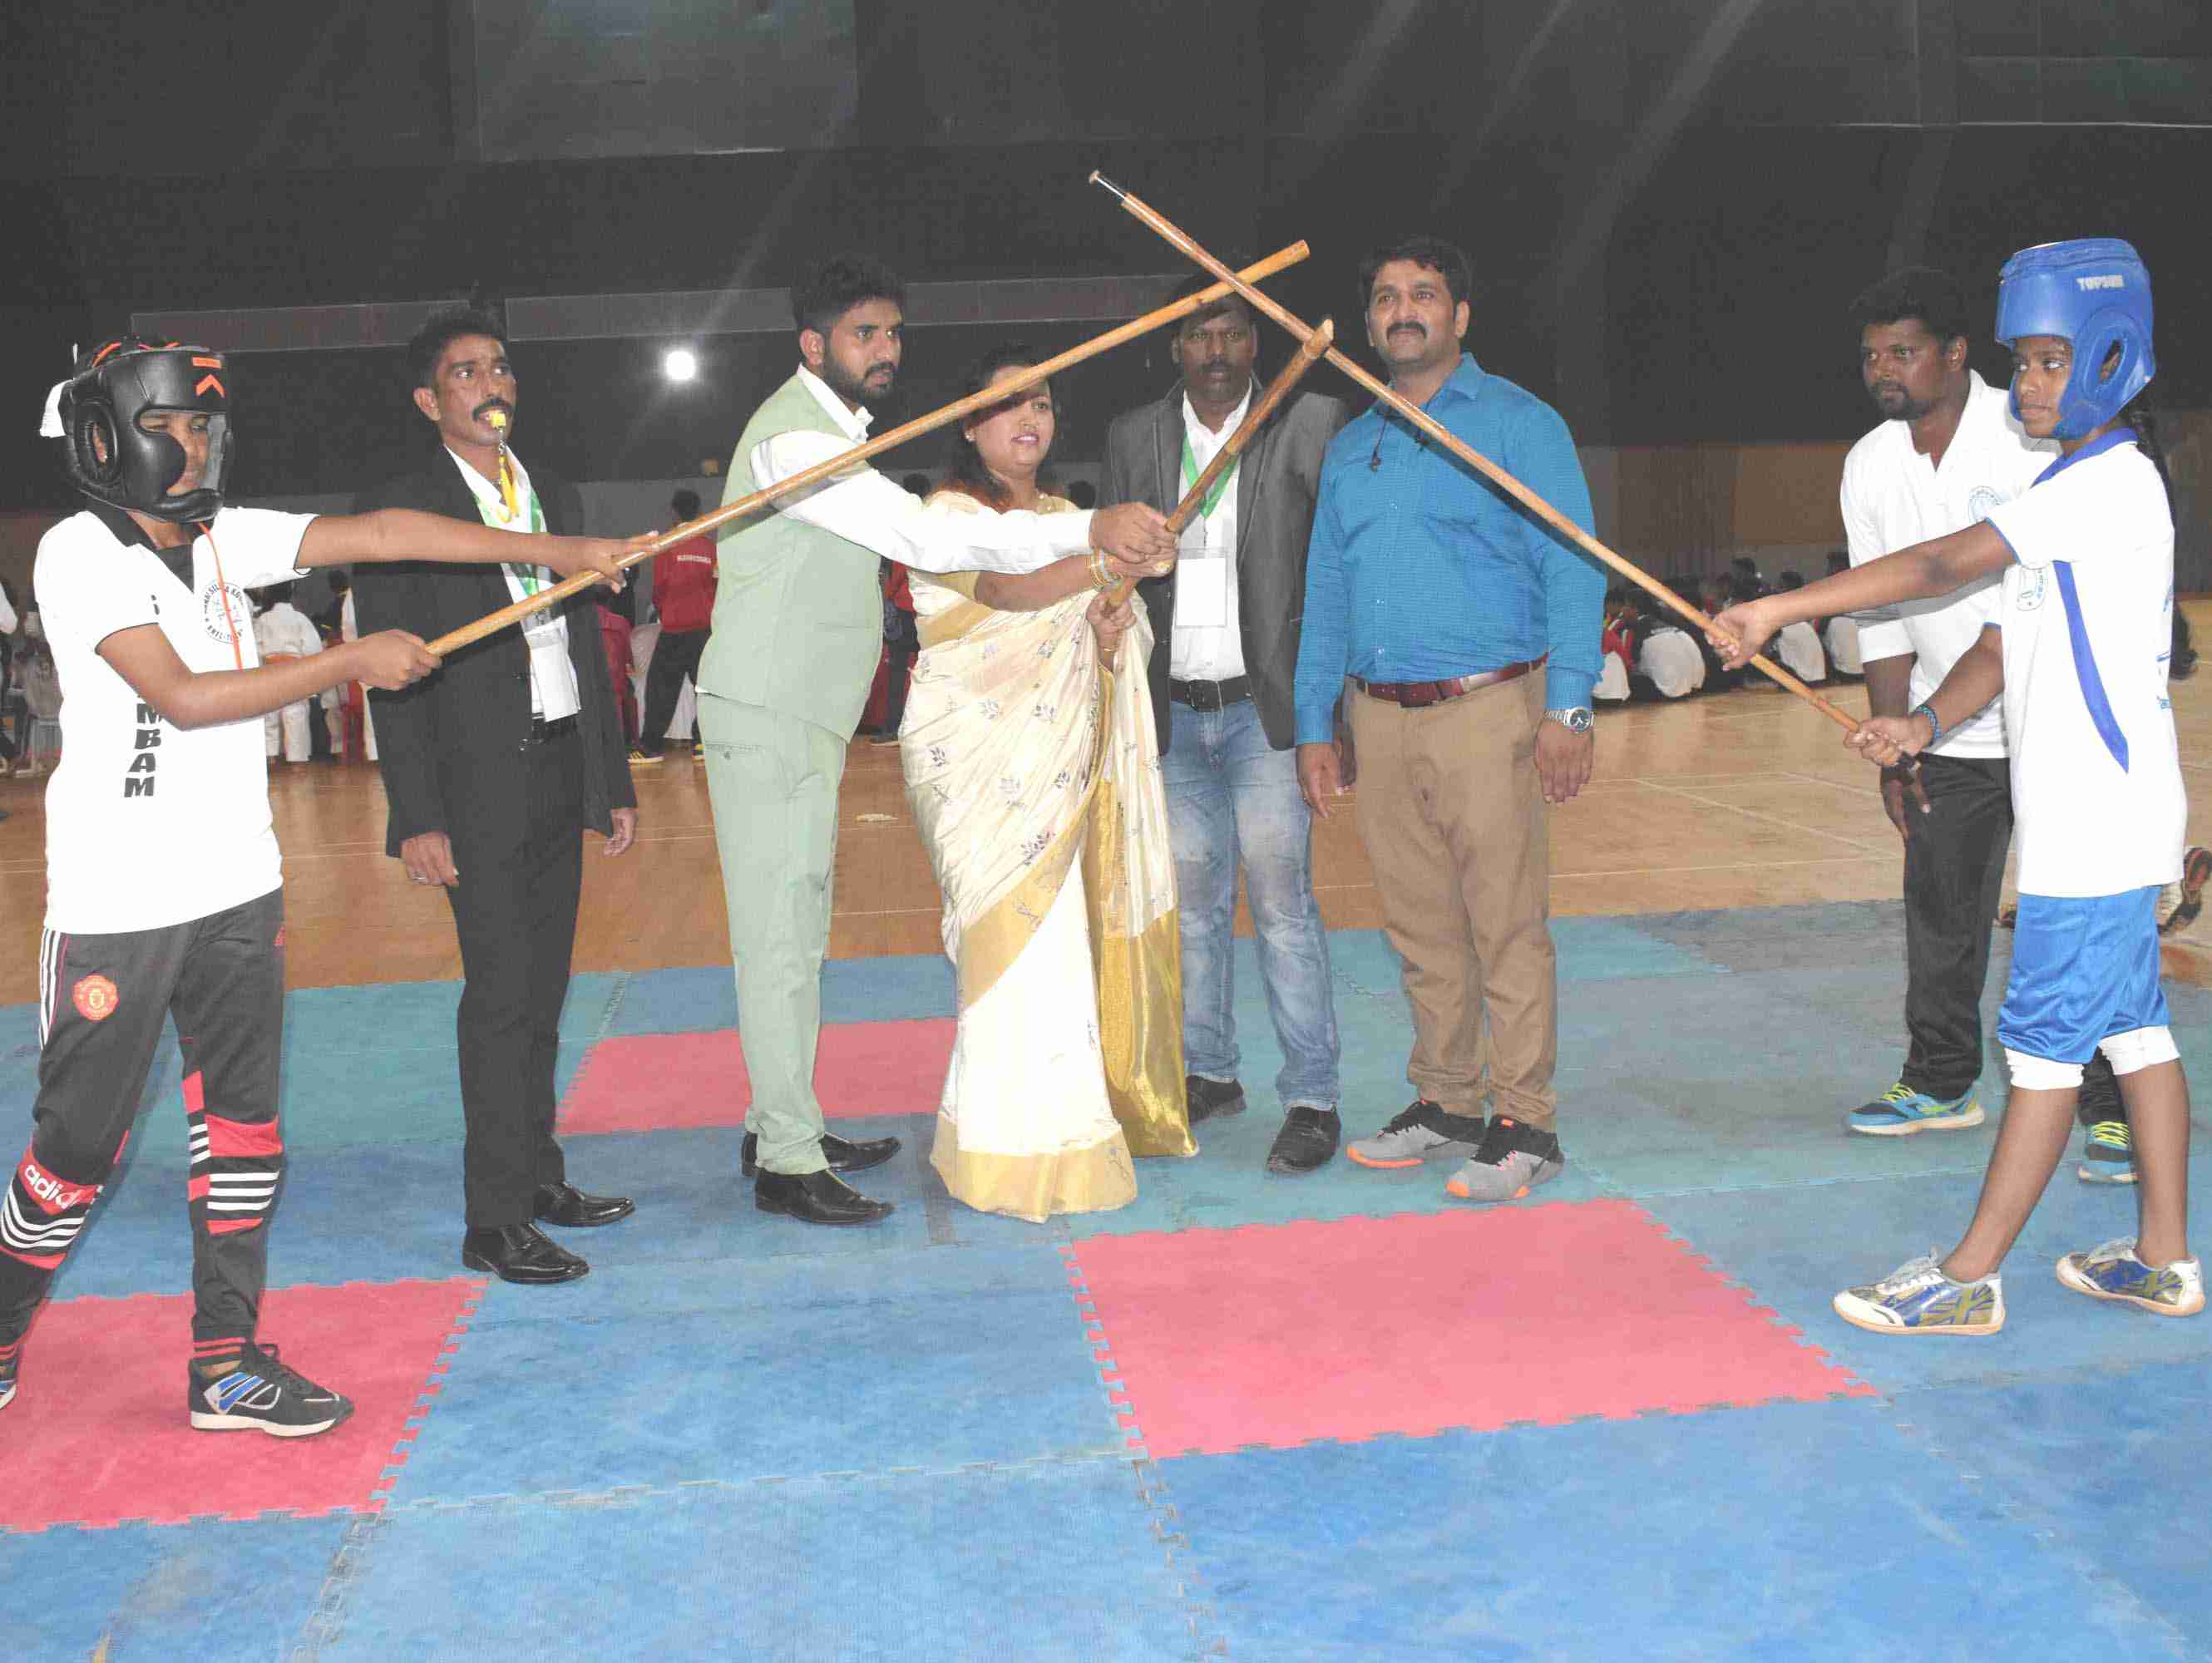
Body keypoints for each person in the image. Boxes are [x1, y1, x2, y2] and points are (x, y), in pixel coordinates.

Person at [0, 335, 631, 1428]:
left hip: (238, 888)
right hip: (119, 909)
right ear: (110, 438)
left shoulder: (220, 536)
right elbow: (187, 697)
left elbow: (389, 531)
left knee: (243, 1137)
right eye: (172, 429)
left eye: (206, 427)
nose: (196, 449)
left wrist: (564, 543)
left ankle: (225, 1362)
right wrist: (351, 660)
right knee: (75, 1150)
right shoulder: (78, 553)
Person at [1714, 238, 2200, 1333]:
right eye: (2024, 362)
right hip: (2111, 821)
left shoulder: (2106, 485)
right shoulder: (2067, 484)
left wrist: (1779, 610)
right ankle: (2165, 1260)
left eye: (2049, 363)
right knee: (2134, 1037)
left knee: (2038, 1054)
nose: (2030, 385)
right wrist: (1922, 722)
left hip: (2093, 825)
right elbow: (1997, 637)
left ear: (2113, 362)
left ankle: (1968, 1277)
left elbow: (1938, 568)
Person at [698, 253, 1178, 1226]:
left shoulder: (839, 439)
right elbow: (935, 542)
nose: (884, 350)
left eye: (891, 333)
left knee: (798, 926)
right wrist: (1096, 526)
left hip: (806, 716)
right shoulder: (792, 446)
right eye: (862, 334)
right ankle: (785, 1156)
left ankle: (780, 1119)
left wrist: (1092, 548)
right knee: (777, 937)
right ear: (811, 344)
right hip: (765, 710)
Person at [1294, 234, 1603, 1202]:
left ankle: (1526, 1120)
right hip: (1376, 719)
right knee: (1419, 927)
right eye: (1385, 296)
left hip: (1487, 710)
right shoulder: (1354, 445)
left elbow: (1572, 562)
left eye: (1422, 294)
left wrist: (1570, 702)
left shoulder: (1519, 424)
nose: (1401, 311)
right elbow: (1327, 588)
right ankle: (1446, 1099)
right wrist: (1315, 721)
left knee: (1505, 924)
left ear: (1459, 316)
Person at [352, 308, 644, 1287]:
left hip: (560, 761)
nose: (492, 383)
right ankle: (492, 1217)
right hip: (474, 782)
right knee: (501, 999)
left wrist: (609, 781)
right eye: (467, 371)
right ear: (431, 400)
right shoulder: (402, 507)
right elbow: (392, 679)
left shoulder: (550, 493)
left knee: (545, 992)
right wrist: (417, 814)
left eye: (501, 367)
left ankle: (539, 1179)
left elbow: (590, 659)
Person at [1824, 266, 2141, 1162]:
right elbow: (1880, 616)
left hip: (2055, 723)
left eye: (1904, 351)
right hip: (1944, 731)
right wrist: (1897, 743)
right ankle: (1937, 1079)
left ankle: (2106, 1096)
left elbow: (1968, 593)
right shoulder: (1867, 463)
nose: (1884, 369)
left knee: (2069, 918)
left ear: (1956, 353)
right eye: (1871, 356)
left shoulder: (2034, 436)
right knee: (1939, 912)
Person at [906, 344, 1192, 1219]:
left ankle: (1060, 1137)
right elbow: (1006, 589)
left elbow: (1103, 638)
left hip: (1060, 763)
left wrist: (1112, 615)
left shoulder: (1071, 514)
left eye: (1042, 402)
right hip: (975, 762)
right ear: (967, 423)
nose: (1031, 418)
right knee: (1003, 945)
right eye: (1008, 404)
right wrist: (1108, 553)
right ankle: (996, 1148)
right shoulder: (942, 513)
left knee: (1056, 949)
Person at [1103, 274, 1349, 1175]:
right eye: (1198, 336)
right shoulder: (1135, 436)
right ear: (1174, 348)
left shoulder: (1306, 421)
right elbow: (1112, 573)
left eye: (1232, 334)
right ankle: (1208, 1070)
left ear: (1259, 343)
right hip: (1172, 713)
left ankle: (1312, 1094)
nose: (1215, 351)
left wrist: (1328, 714)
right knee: (1195, 914)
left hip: (1265, 713)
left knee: (1284, 909)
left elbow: (1334, 571)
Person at [631, 488, 714, 763]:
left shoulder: (669, 544)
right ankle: (703, 744)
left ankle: (651, 747)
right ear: (699, 512)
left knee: (660, 690)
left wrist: (668, 609)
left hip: (676, 630)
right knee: (706, 689)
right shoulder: (709, 547)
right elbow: (715, 586)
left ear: (674, 512)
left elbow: (659, 588)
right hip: (703, 630)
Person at [251, 583, 323, 763]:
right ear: (290, 594)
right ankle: (297, 760)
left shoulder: (263, 619)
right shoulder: (299, 618)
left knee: (269, 712)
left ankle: (270, 757)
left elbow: (256, 647)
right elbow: (313, 647)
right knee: (295, 713)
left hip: (270, 668)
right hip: (295, 669)